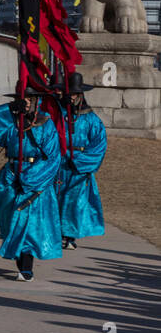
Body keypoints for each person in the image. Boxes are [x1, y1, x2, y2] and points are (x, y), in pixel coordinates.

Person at [0, 82, 64, 281]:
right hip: (10, 177)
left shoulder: (46, 124)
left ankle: (27, 266)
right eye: (22, 99)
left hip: (34, 178)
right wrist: (9, 108)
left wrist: (28, 179)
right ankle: (19, 259)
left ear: (36, 100)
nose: (25, 102)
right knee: (10, 222)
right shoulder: (11, 121)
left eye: (29, 99)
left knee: (29, 223)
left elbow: (52, 158)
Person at [56, 72, 106, 250]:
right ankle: (57, 232)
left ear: (81, 95)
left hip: (78, 166)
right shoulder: (57, 115)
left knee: (74, 201)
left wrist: (79, 160)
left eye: (75, 95)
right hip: (59, 164)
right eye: (70, 94)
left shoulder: (91, 119)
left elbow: (99, 146)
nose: (72, 98)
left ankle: (70, 235)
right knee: (56, 198)